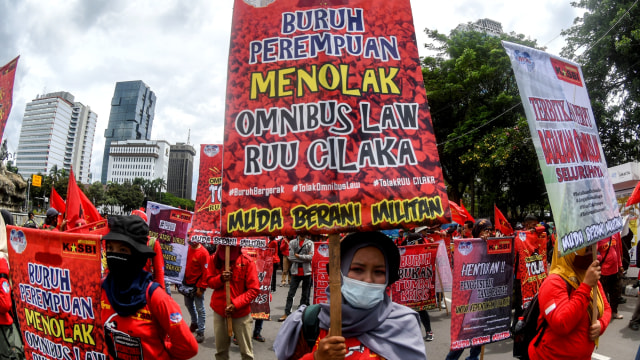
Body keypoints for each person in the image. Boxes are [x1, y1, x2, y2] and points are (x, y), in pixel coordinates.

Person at [274, 231, 426, 359]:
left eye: (379, 272)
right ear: (339, 273)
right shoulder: (309, 322)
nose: (368, 280)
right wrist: (316, 357)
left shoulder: (404, 325)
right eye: (358, 269)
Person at [101, 215, 198, 360]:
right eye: (110, 248)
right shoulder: (101, 289)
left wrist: (159, 352)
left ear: (138, 255)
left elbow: (187, 347)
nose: (114, 255)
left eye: (122, 250)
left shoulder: (156, 298)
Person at [527, 241, 611, 359]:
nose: (591, 254)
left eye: (592, 249)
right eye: (586, 250)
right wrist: (586, 287)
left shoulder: (589, 277)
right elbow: (562, 324)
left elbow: (606, 308)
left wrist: (601, 325)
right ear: (568, 252)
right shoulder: (553, 282)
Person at [446, 219, 493, 360]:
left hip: (485, 296)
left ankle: (473, 358)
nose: (489, 233)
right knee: (464, 334)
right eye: (486, 230)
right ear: (478, 232)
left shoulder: (492, 244)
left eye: (490, 230)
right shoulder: (469, 245)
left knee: (480, 334)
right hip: (469, 298)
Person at [206, 245, 260, 360]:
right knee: (220, 352)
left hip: (241, 314)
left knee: (247, 353)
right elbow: (209, 282)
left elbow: (254, 289)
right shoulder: (213, 260)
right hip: (220, 312)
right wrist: (220, 278)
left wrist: (236, 304)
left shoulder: (247, 262)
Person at [279, 234, 314, 322]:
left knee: (305, 295)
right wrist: (304, 258)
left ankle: (302, 314)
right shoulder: (292, 242)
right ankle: (287, 313)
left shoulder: (310, 243)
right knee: (291, 294)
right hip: (295, 272)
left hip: (307, 272)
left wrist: (298, 256)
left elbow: (311, 257)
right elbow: (291, 257)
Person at [131, 209, 167, 293]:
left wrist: (160, 293)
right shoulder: (123, 241)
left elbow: (159, 271)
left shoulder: (152, 243)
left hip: (145, 290)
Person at [183, 230, 210, 343]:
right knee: (188, 304)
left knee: (200, 308)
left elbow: (206, 272)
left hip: (197, 285)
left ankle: (201, 331)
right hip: (186, 283)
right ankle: (194, 322)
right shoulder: (187, 249)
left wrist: (202, 288)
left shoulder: (203, 253)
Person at [597, 234, 624, 319]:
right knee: (604, 294)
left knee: (615, 293)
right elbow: (595, 253)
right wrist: (600, 258)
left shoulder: (613, 235)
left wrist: (620, 265)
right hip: (604, 272)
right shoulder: (598, 238)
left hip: (615, 271)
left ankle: (614, 312)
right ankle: (605, 314)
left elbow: (618, 251)